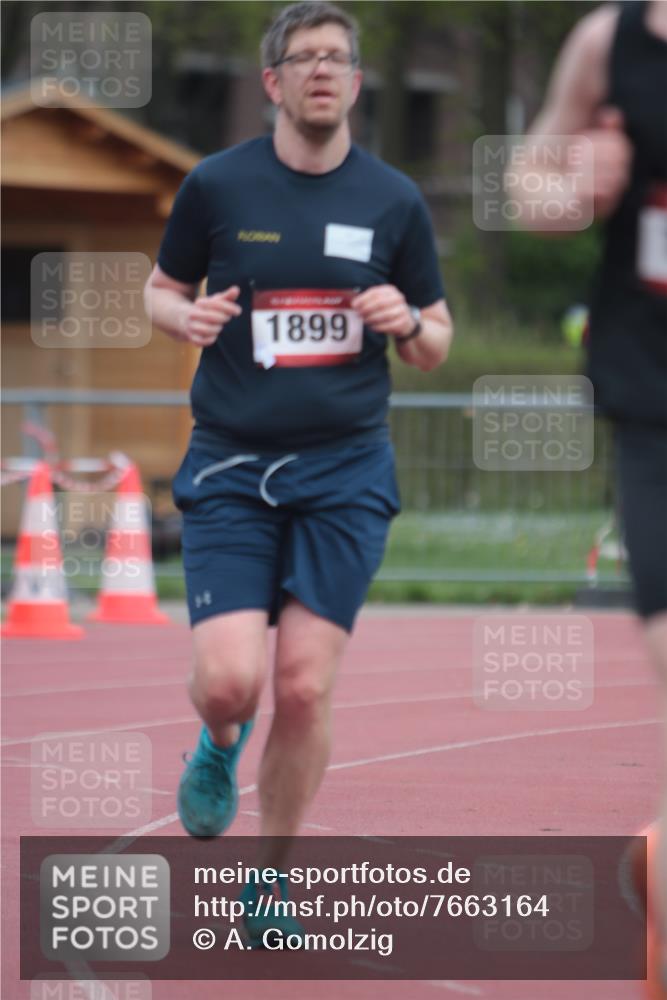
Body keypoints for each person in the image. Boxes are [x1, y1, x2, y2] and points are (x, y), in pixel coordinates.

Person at [144, 0, 452, 944]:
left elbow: (436, 342)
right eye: (303, 57)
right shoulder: (217, 186)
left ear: (355, 83)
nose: (323, 70)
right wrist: (181, 319)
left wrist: (408, 323)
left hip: (345, 472)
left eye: (338, 58)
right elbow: (162, 288)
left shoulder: (394, 201)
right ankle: (217, 738)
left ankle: (270, 878)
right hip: (233, 465)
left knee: (308, 686)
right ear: (272, 82)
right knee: (234, 682)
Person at [509, 3, 667, 995]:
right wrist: (574, 188)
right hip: (653, 390)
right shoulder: (608, 43)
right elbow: (525, 183)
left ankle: (656, 850)